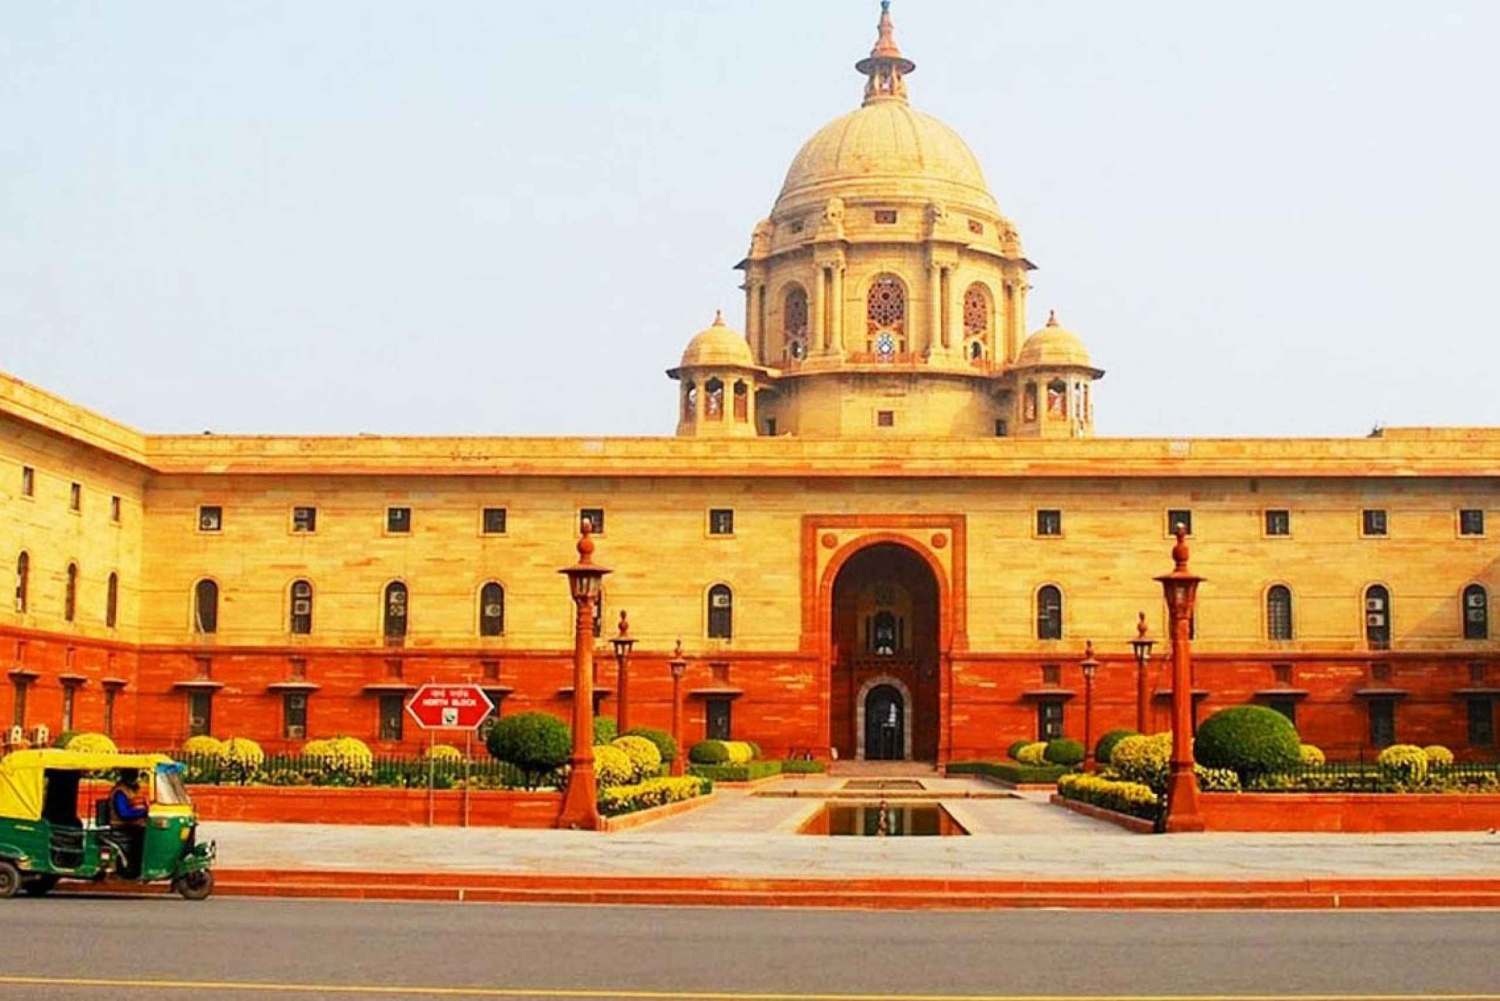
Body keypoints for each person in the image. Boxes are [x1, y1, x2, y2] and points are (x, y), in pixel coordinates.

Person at [108, 768, 149, 877]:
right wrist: (144, 812)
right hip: (123, 825)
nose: (135, 777)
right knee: (140, 837)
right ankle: (133, 869)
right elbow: (124, 813)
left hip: (136, 824)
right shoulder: (120, 792)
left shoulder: (136, 789)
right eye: (131, 774)